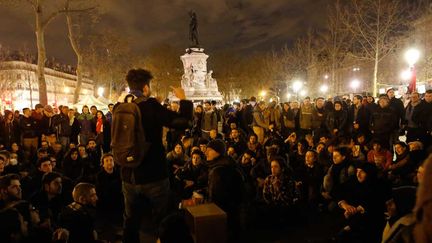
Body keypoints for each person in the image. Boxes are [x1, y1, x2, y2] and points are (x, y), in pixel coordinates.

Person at [119, 68, 193, 243]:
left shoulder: (120, 107)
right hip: (153, 175)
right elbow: (184, 122)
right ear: (145, 87)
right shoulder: (150, 106)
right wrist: (183, 99)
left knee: (130, 221)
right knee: (162, 219)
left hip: (128, 175)